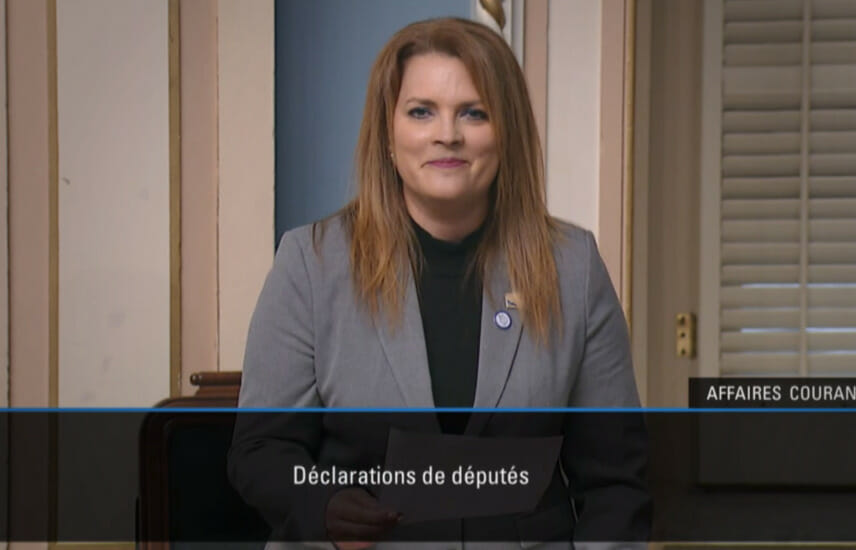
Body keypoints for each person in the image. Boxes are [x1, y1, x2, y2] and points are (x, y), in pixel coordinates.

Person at [228, 16, 650, 549]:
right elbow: (261, 451)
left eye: (473, 113)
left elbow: (615, 481)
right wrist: (322, 508)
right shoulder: (310, 263)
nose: (446, 134)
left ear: (506, 134)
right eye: (421, 111)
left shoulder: (574, 266)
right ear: (388, 132)